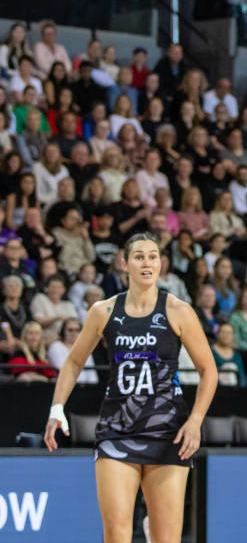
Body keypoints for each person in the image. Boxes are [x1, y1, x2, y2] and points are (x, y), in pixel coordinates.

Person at [44, 233, 218, 543]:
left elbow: (209, 370)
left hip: (168, 432)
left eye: (153, 256)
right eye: (139, 256)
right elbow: (73, 362)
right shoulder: (103, 311)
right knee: (117, 534)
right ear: (125, 263)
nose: (147, 262)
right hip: (116, 430)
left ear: (161, 263)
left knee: (167, 538)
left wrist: (195, 420)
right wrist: (57, 409)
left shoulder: (178, 310)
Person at [47, 317, 98, 384]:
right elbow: (61, 369)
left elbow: (92, 374)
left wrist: (92, 389)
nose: (74, 333)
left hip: (85, 388)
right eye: (70, 330)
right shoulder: (55, 346)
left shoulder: (85, 348)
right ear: (63, 331)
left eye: (77, 330)